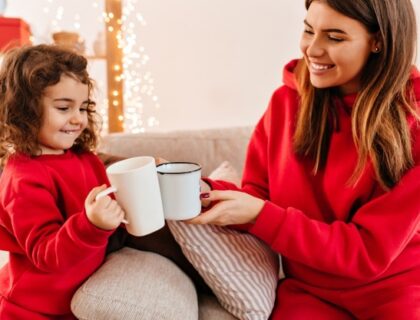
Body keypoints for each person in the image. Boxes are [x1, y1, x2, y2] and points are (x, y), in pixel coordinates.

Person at [191, 0, 420, 319]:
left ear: (379, 41)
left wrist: (262, 215)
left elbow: (367, 253)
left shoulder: (414, 126)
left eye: (335, 37)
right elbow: (259, 198)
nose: (312, 49)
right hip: (308, 290)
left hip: (393, 289)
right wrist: (203, 190)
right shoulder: (285, 104)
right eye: (308, 30)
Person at [0, 44, 210, 319]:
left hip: (76, 295)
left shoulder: (83, 158)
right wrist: (91, 225)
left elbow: (116, 198)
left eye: (83, 108)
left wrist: (151, 176)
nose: (78, 119)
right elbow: (47, 254)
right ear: (25, 110)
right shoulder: (22, 179)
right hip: (33, 308)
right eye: (64, 108)